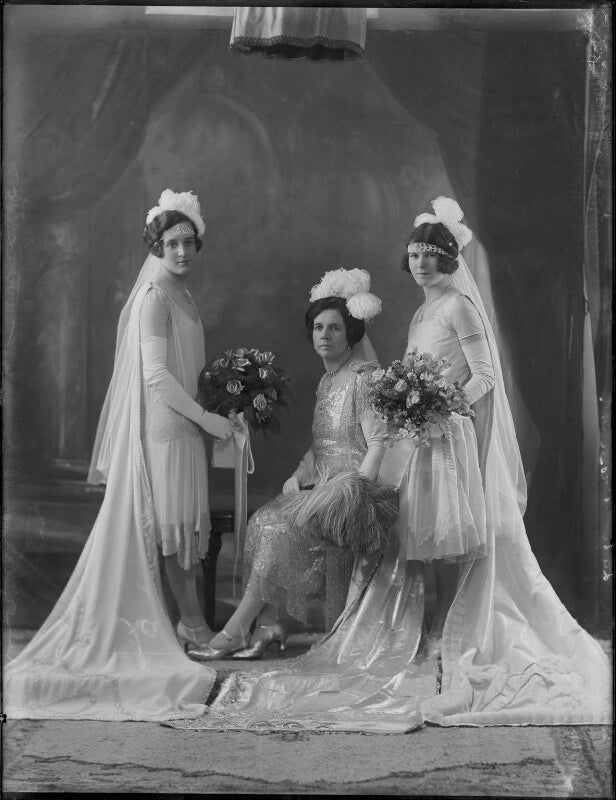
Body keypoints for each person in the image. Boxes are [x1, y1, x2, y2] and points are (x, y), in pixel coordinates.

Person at [169, 199, 610, 733]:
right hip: (420, 437)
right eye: (415, 255)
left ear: (450, 257)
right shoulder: (424, 312)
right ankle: (381, 635)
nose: (422, 264)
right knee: (425, 540)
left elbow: (484, 375)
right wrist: (413, 407)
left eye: (433, 255)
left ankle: (440, 640)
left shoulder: (458, 307)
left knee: (445, 540)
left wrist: (439, 405)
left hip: (443, 437)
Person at [5, 189, 234, 721]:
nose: (180, 252)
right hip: (165, 427)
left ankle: (190, 622)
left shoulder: (185, 296)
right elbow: (156, 375)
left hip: (188, 425)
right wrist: (205, 418)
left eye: (188, 243)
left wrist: (224, 405)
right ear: (157, 246)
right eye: (171, 243)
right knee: (173, 528)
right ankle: (193, 626)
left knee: (184, 528)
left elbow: (188, 367)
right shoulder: (155, 296)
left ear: (198, 246)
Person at [187, 269, 389, 661]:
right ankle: (269, 625)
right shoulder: (328, 380)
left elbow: (378, 441)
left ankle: (234, 632)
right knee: (263, 521)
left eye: (334, 328)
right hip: (322, 483)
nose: (324, 336)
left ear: (351, 334)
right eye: (318, 328)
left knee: (281, 528)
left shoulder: (363, 378)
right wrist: (298, 474)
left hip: (351, 489)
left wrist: (358, 493)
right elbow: (322, 444)